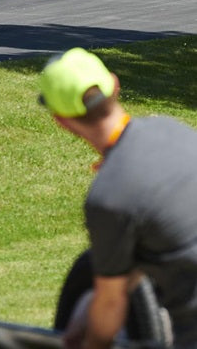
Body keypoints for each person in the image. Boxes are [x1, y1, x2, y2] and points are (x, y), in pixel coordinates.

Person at [38, 47, 197, 349]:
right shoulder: (175, 130)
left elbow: (112, 305)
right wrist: (88, 310)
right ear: (115, 84)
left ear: (61, 120)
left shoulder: (109, 197)